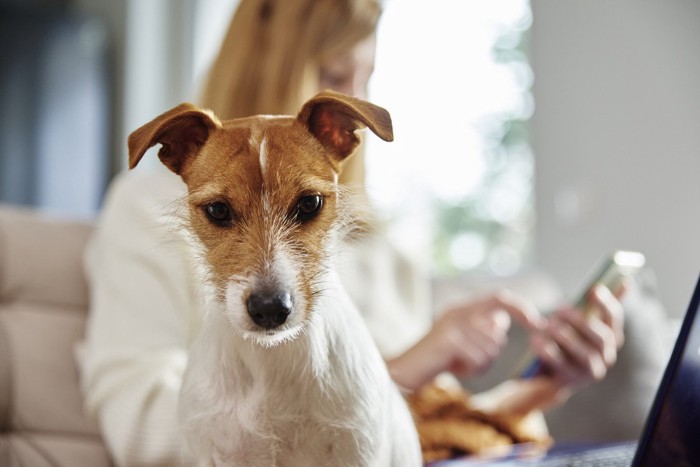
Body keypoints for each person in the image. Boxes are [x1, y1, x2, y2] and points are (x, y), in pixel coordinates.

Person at [79, 0, 627, 465]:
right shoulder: (149, 206)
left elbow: (428, 428)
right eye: (338, 75)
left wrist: (549, 383)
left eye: (309, 208)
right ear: (269, 62)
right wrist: (402, 368)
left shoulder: (385, 247)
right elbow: (142, 427)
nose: (359, 100)